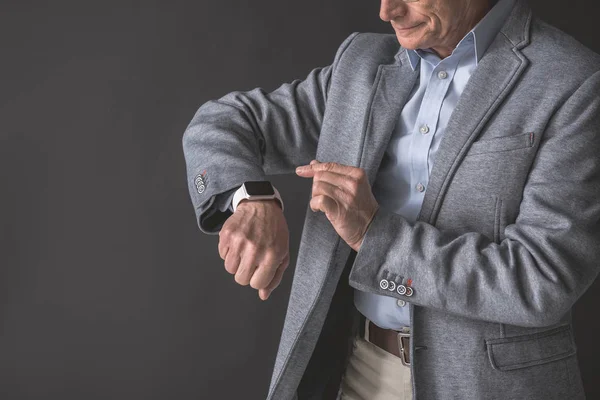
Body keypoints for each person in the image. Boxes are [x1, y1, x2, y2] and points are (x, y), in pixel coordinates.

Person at [182, 0, 600, 398]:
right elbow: (225, 121)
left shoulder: (573, 81)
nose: (388, 12)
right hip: (357, 370)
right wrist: (252, 198)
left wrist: (373, 234)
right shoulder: (363, 64)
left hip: (486, 385)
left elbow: (543, 279)